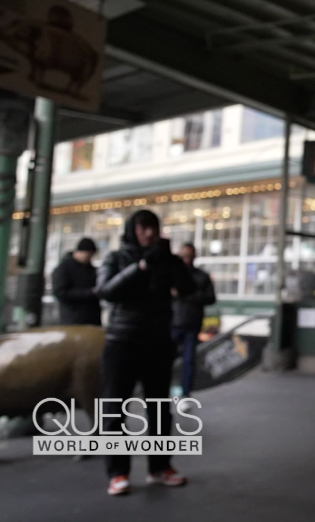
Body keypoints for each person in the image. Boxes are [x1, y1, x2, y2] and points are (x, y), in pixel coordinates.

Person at [96, 210, 195, 497]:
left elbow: (188, 289)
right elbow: (106, 291)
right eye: (143, 228)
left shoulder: (166, 260)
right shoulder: (116, 258)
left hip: (158, 340)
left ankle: (160, 467)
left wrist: (172, 262)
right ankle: (117, 473)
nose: (149, 233)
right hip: (122, 340)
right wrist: (140, 267)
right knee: (115, 409)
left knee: (159, 409)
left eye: (153, 227)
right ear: (132, 230)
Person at [172, 243, 216, 403]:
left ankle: (185, 394)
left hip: (191, 323)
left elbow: (211, 298)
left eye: (189, 256)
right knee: (164, 360)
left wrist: (194, 297)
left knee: (188, 361)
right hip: (172, 323)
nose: (186, 260)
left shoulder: (201, 276)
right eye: (183, 256)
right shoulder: (172, 275)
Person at [51, 237, 102, 326]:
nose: (90, 258)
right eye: (88, 255)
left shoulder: (91, 269)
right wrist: (89, 292)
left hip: (91, 319)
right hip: (73, 319)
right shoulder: (64, 268)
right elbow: (60, 292)